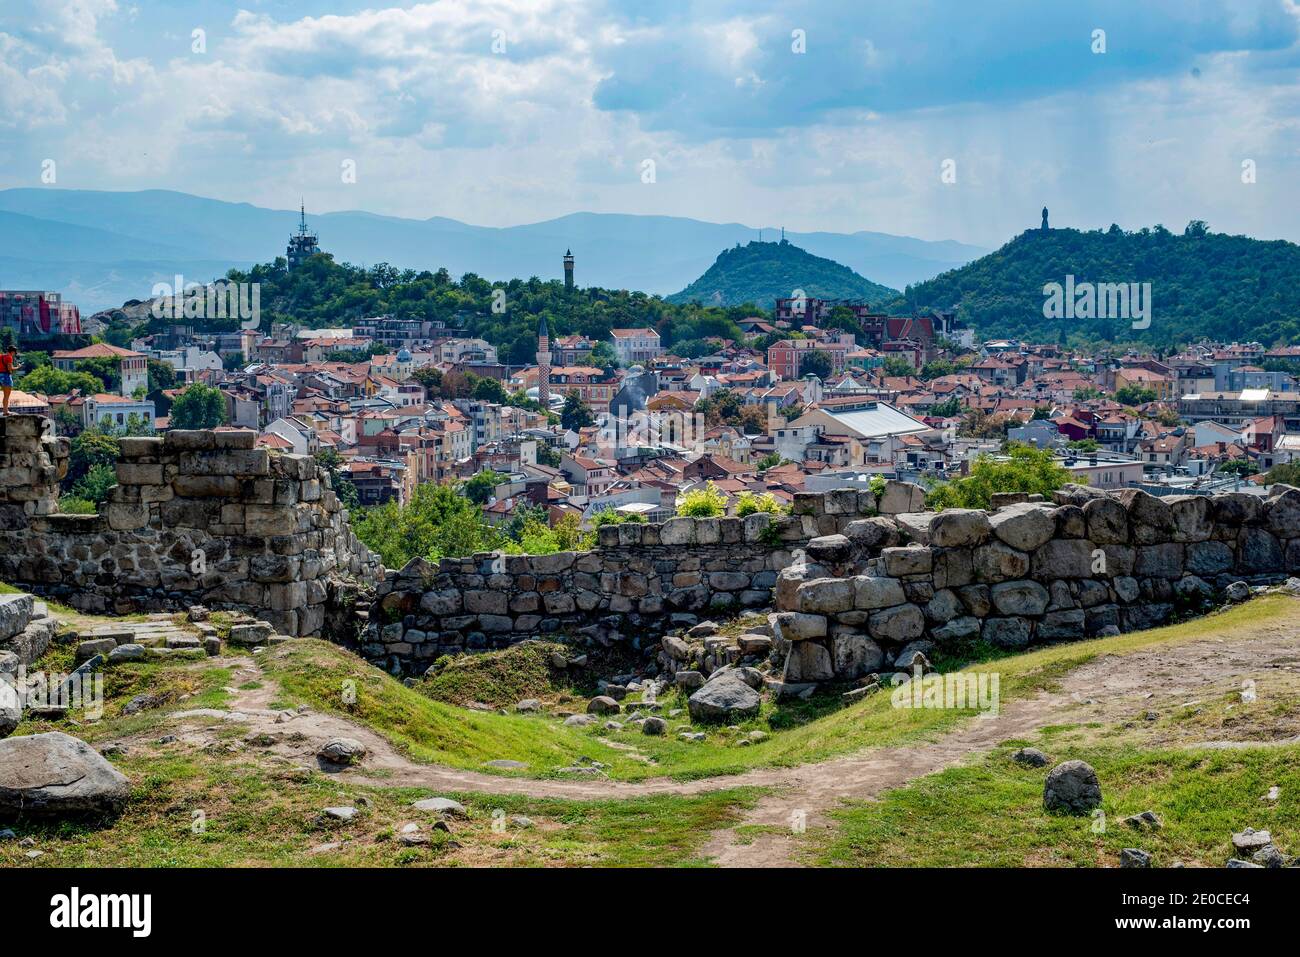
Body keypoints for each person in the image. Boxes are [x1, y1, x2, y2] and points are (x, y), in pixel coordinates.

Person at [0, 346, 17, 415]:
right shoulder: (9, 357)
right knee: (6, 396)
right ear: (12, 352)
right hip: (6, 376)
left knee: (4, 395)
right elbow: (10, 368)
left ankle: (5, 410)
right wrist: (18, 367)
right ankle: (5, 411)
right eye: (14, 353)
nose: (14, 354)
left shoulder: (1, 356)